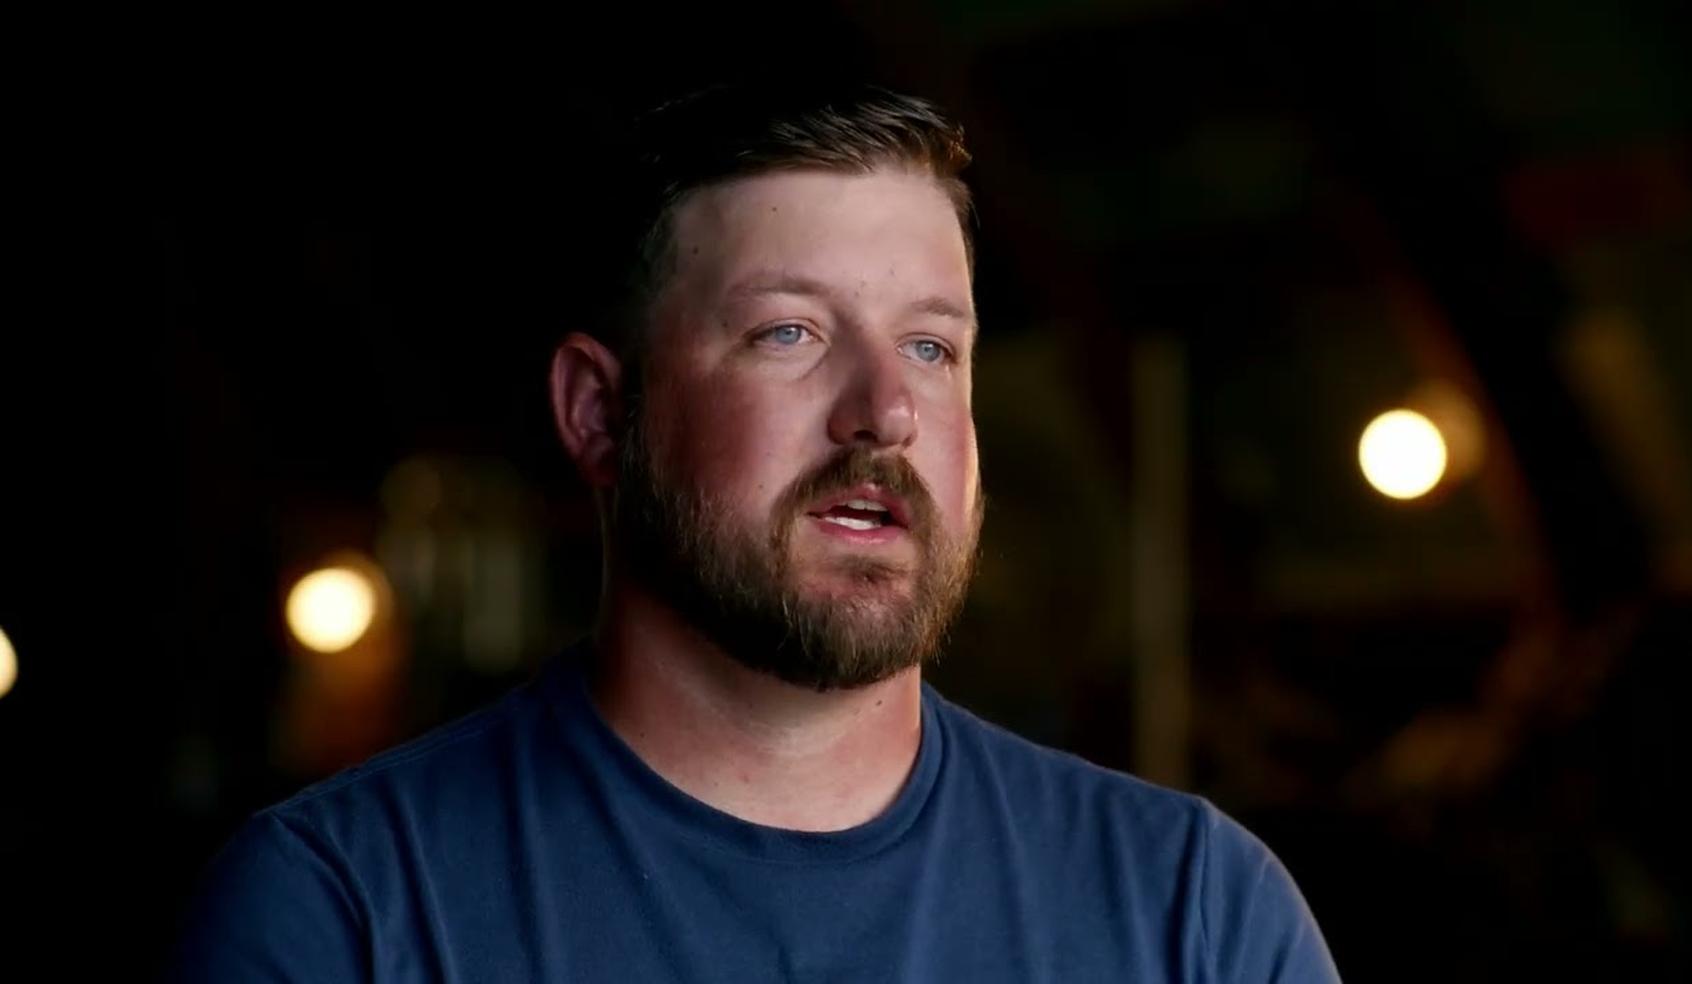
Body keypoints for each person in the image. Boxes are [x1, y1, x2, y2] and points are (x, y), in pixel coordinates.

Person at [169, 81, 1341, 982]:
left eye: (931, 347)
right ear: (599, 414)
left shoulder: (1197, 914)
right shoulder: (341, 913)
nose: (885, 410)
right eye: (790, 333)